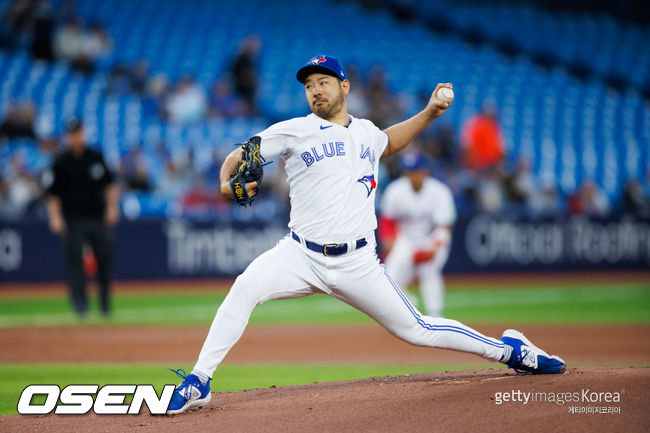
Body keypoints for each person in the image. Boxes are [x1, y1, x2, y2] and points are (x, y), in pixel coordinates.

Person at [166, 55, 565, 415]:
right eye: (308, 85)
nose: (314, 90)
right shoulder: (294, 130)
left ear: (345, 87)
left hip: (358, 262)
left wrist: (429, 113)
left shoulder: (367, 133)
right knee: (245, 287)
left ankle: (510, 350)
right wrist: (224, 185)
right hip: (300, 255)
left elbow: (390, 141)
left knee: (418, 330)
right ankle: (200, 379)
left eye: (323, 81)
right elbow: (242, 153)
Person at [42, 118, 119, 317]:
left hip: (97, 218)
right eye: (72, 134)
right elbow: (52, 193)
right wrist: (55, 217)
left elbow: (109, 185)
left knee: (104, 259)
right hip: (72, 220)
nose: (75, 138)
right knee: (75, 263)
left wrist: (112, 208)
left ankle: (104, 304)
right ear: (68, 137)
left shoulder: (95, 157)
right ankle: (80, 305)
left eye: (78, 133)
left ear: (83, 134)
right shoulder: (61, 162)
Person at [379, 152, 456, 318]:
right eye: (410, 172)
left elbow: (445, 226)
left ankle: (436, 315)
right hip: (405, 239)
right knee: (390, 276)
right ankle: (408, 304)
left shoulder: (439, 191)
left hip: (431, 238)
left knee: (429, 271)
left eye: (416, 171)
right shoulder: (395, 190)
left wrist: (434, 247)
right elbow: (387, 220)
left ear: (424, 171)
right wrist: (389, 242)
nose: (413, 176)